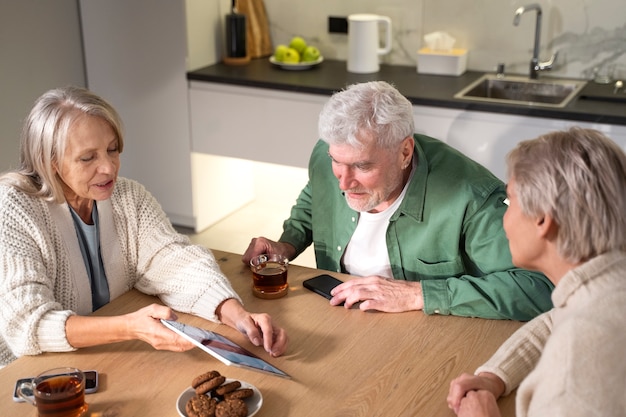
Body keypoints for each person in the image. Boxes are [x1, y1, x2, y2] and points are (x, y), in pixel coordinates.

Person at [0, 86, 287, 368]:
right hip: (34, 372)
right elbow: (27, 322)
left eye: (112, 150)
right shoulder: (13, 208)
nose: (109, 168)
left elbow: (175, 262)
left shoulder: (128, 196)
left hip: (111, 360)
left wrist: (236, 315)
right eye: (88, 158)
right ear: (50, 163)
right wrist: (131, 327)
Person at [243, 80, 553, 320]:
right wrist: (288, 244)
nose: (344, 181)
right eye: (336, 161)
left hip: (427, 337)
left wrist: (417, 295)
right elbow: (315, 200)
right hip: (341, 320)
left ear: (405, 152)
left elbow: (538, 289)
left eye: (362, 166)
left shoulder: (471, 196)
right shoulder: (331, 159)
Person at [447, 127, 626, 417]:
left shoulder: (574, 368)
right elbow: (553, 323)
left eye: (509, 201)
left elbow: (572, 338)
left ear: (543, 219)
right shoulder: (607, 287)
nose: (504, 218)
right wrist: (493, 377)